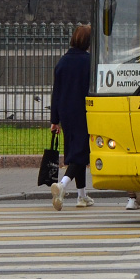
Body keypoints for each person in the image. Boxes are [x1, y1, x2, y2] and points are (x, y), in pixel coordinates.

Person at [50, 23, 93, 210]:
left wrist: (54, 120)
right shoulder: (89, 61)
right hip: (84, 111)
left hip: (66, 112)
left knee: (77, 151)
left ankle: (82, 196)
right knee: (81, 153)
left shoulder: (63, 61)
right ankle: (62, 185)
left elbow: (56, 92)